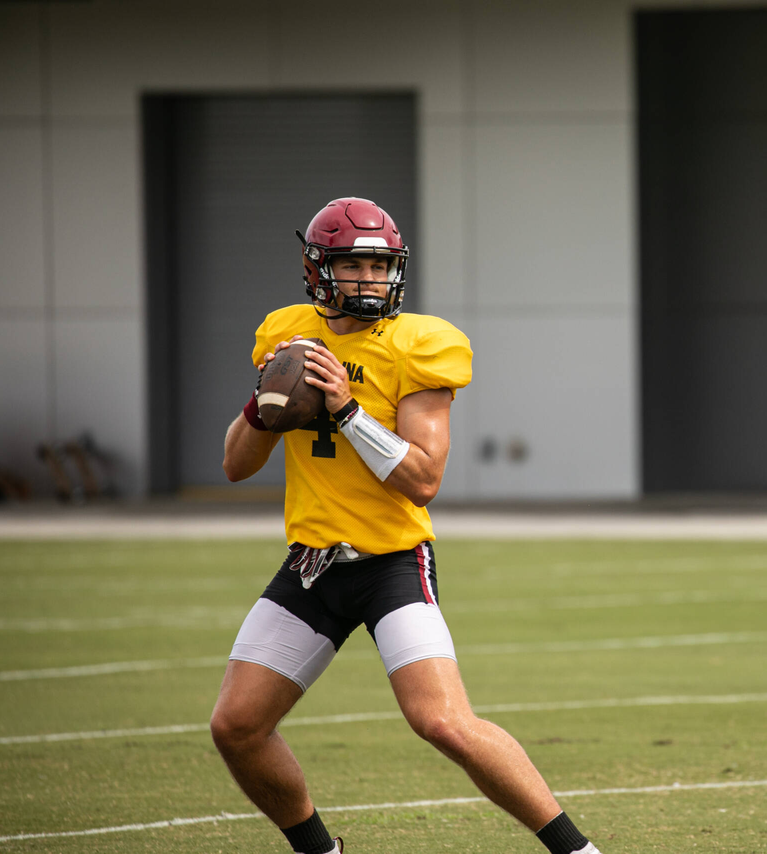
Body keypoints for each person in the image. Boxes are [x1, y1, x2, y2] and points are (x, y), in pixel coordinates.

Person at [211, 197, 600, 854]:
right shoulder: (289, 332)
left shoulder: (420, 343)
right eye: (354, 265)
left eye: (379, 264)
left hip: (392, 563)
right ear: (317, 270)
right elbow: (233, 465)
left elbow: (422, 479)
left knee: (443, 722)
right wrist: (266, 400)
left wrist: (344, 407)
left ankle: (579, 852)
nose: (369, 279)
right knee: (237, 726)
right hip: (312, 565)